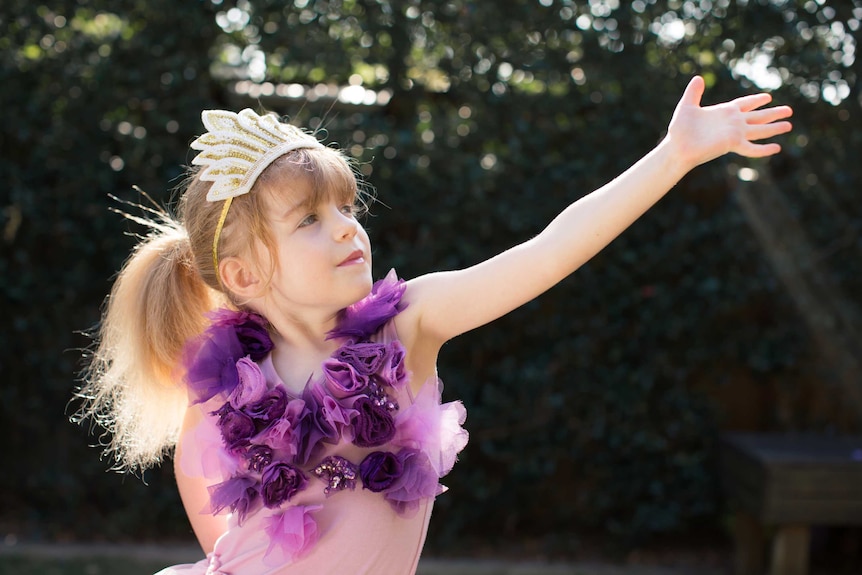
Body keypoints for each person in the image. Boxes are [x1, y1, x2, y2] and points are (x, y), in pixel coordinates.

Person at [75, 76, 792, 574]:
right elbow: (224, 537)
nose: (348, 229)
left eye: (347, 207)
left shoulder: (408, 326)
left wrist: (677, 154)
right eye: (311, 220)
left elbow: (545, 251)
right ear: (243, 275)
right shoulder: (221, 401)